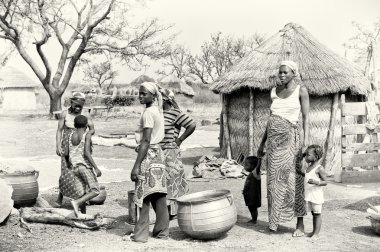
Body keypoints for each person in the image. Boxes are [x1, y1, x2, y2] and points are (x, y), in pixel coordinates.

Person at [257, 60, 309, 233]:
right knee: (274, 184)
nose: (282, 75)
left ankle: (299, 225)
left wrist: (305, 144)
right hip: (273, 145)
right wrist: (262, 144)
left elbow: (306, 119)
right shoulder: (274, 92)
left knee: (294, 181)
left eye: (285, 72)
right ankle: (273, 223)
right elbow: (270, 120)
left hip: (290, 143)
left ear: (294, 73)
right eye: (280, 72)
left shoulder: (301, 91)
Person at [127, 82, 169, 243]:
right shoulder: (158, 110)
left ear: (152, 95)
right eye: (140, 93)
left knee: (142, 195)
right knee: (159, 195)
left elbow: (145, 140)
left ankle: (141, 235)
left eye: (144, 94)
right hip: (158, 155)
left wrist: (136, 166)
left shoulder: (148, 114)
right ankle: (162, 232)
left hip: (149, 156)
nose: (140, 96)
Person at [159, 88, 196, 217]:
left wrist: (179, 140)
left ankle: (173, 213)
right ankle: (167, 213)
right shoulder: (158, 113)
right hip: (158, 152)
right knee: (163, 184)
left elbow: (191, 125)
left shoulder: (175, 113)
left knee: (172, 183)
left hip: (170, 152)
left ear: (164, 99)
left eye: (157, 97)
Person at [56, 92, 95, 207]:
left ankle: (83, 196)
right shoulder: (64, 114)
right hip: (67, 146)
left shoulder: (86, 114)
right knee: (66, 171)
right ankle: (60, 197)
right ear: (71, 102)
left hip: (82, 146)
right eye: (76, 105)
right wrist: (58, 145)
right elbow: (59, 130)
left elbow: (92, 129)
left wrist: (87, 137)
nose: (78, 108)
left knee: (84, 169)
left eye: (80, 106)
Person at [65, 115, 102, 217]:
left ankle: (82, 215)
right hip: (84, 166)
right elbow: (86, 152)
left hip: (74, 167)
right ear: (86, 125)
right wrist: (96, 167)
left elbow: (67, 153)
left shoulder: (70, 135)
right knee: (95, 190)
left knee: (82, 193)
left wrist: (69, 164)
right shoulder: (86, 134)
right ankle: (76, 203)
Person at [299, 145, 327, 237]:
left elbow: (325, 182)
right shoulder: (309, 167)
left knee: (317, 214)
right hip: (309, 195)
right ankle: (313, 232)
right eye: (305, 155)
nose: (306, 157)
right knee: (313, 213)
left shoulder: (319, 168)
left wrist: (316, 182)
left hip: (316, 195)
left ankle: (316, 234)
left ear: (316, 157)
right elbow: (307, 176)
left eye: (308, 155)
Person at [242, 156, 262, 224]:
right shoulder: (251, 173)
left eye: (247, 165)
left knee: (253, 207)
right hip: (249, 195)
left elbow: (258, 167)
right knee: (250, 207)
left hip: (253, 195)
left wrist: (260, 158)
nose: (245, 166)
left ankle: (254, 220)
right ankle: (253, 219)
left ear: (253, 166)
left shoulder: (255, 172)